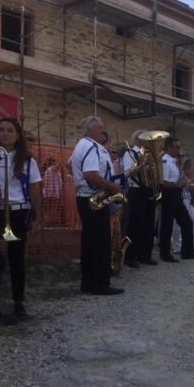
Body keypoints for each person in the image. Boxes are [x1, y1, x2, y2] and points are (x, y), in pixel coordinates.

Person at [0, 117, 43, 321]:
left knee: (16, 259)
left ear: (18, 135)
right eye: (1, 129)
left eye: (10, 130)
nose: (5, 133)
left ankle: (18, 302)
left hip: (18, 213)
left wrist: (38, 217)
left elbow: (35, 188)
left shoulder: (28, 161)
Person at [70, 115, 124, 295]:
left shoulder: (82, 145)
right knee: (100, 242)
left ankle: (88, 283)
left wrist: (79, 181)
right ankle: (100, 284)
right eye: (100, 128)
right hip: (92, 198)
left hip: (86, 196)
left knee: (90, 242)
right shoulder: (91, 146)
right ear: (89, 130)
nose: (104, 130)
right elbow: (90, 174)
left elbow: (69, 165)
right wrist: (112, 186)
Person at [122, 130, 158, 267]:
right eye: (147, 139)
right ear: (140, 140)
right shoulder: (130, 153)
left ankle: (145, 255)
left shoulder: (148, 154)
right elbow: (127, 173)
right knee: (136, 225)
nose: (150, 141)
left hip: (147, 190)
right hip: (136, 191)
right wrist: (143, 164)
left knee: (149, 224)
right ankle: (130, 256)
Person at [159, 136, 194, 262]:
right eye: (177, 147)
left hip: (177, 193)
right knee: (167, 225)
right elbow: (163, 183)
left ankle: (187, 252)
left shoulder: (174, 160)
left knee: (187, 222)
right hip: (169, 194)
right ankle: (165, 254)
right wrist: (176, 184)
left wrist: (182, 181)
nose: (179, 149)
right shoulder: (164, 161)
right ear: (169, 147)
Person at [42, 157, 63, 226]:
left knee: (53, 207)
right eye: (57, 163)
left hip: (55, 192)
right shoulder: (49, 170)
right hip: (49, 192)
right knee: (48, 207)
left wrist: (59, 191)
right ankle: (47, 221)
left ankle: (51, 221)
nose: (58, 165)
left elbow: (60, 183)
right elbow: (45, 182)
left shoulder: (58, 172)